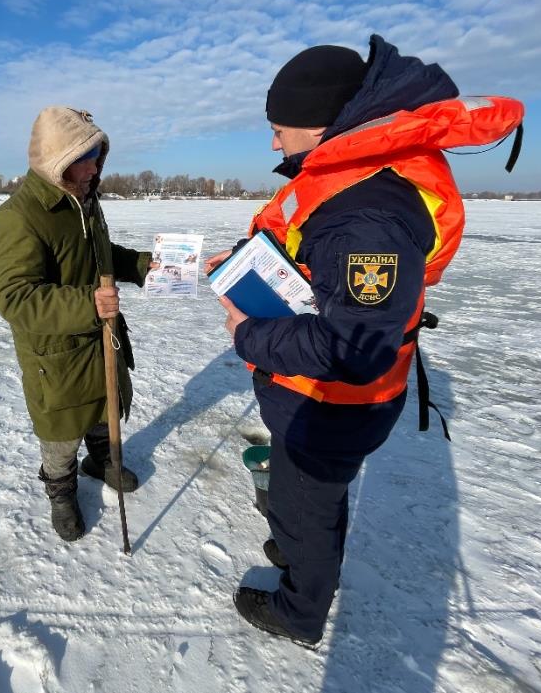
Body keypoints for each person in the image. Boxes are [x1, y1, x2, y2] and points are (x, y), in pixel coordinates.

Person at [209, 35, 523, 647]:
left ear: (322, 123)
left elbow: (351, 349)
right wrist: (256, 262)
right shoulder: (352, 176)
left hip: (330, 404)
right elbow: (320, 262)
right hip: (313, 396)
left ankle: (299, 611)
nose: (274, 142)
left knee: (314, 503)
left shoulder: (368, 216)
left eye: (281, 127)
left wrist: (250, 336)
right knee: (306, 498)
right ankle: (295, 536)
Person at [0, 106, 154, 542]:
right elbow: (14, 297)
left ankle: (101, 461)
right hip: (56, 354)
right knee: (60, 437)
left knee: (106, 408)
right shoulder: (15, 218)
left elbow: (102, 254)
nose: (96, 164)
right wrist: (88, 302)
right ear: (57, 159)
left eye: (98, 152)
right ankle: (61, 492)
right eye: (86, 154)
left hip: (101, 337)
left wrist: (145, 266)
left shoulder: (85, 199)